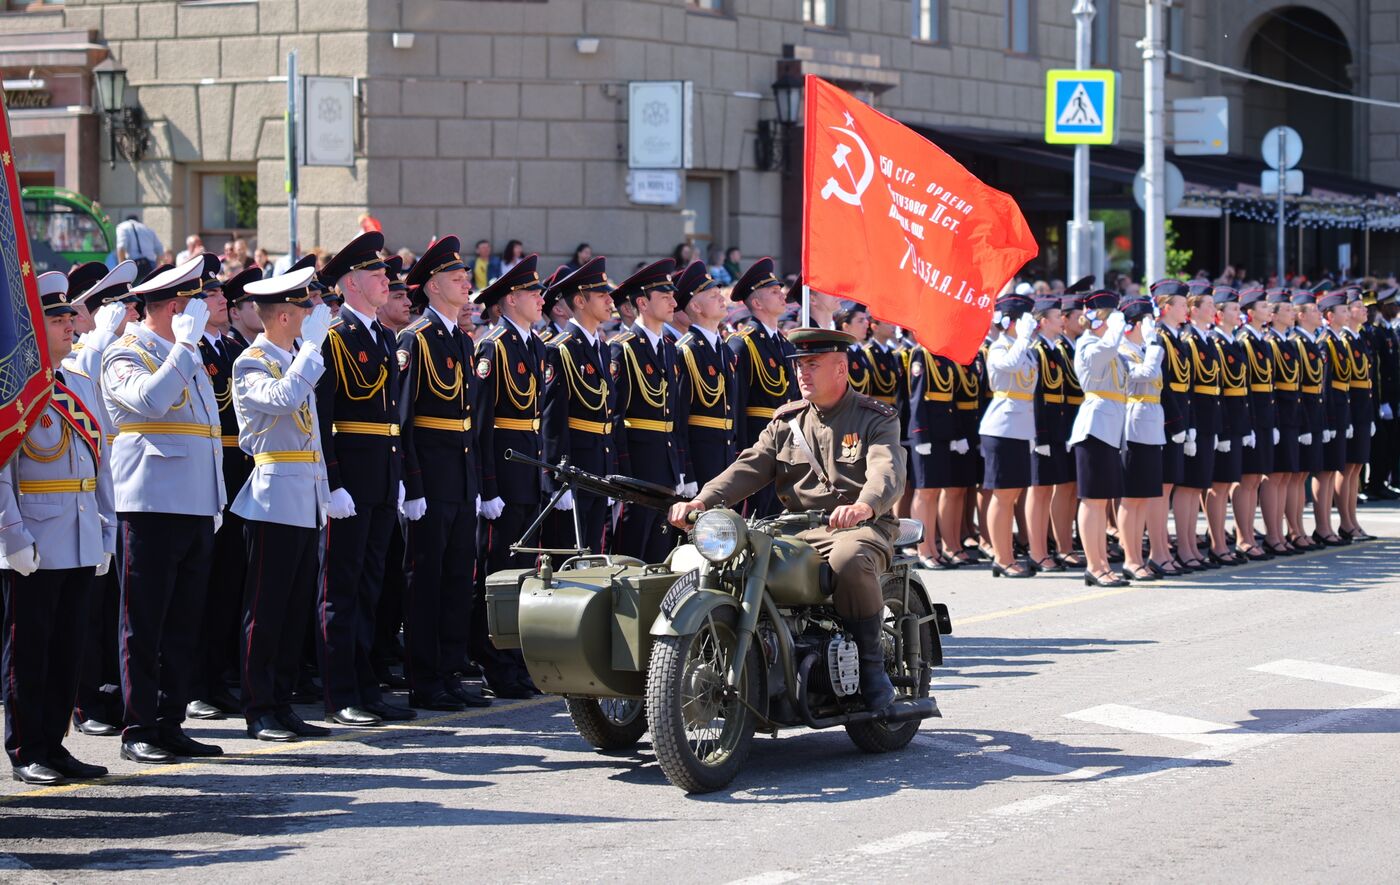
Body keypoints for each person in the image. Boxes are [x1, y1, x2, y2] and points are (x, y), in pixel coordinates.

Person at [667, 328, 904, 713]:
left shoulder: (874, 418)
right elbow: (749, 466)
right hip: (793, 527)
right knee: (727, 560)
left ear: (841, 369)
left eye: (813, 365)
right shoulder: (788, 421)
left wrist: (864, 505)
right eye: (799, 366)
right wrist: (701, 501)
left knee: (850, 559)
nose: (802, 373)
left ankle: (872, 668)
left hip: (857, 527)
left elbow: (886, 470)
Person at [101, 255, 226, 764]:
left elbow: (208, 434)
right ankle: (138, 728)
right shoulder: (124, 353)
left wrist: (215, 498)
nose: (202, 311)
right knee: (143, 624)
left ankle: (171, 722)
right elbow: (150, 403)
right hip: (149, 505)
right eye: (193, 302)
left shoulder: (183, 353)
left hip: (194, 503)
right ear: (174, 308)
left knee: (183, 623)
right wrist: (186, 347)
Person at [1, 272, 116, 784]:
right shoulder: (16, 388)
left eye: (71, 316)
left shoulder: (79, 385)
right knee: (29, 652)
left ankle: (55, 744)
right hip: (36, 539)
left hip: (79, 534)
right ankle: (27, 749)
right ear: (33, 325)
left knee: (69, 649)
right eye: (58, 318)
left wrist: (107, 531)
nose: (71, 324)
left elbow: (102, 468)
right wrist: (12, 537)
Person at [229, 269, 335, 742]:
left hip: (304, 495)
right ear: (286, 315)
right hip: (272, 498)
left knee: (294, 612)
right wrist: (311, 351)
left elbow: (312, 436)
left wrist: (326, 491)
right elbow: (283, 399)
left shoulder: (294, 358)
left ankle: (283, 702)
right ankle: (259, 707)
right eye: (305, 309)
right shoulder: (251, 362)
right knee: (265, 610)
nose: (312, 317)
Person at [314, 231, 413, 727]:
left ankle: (366, 684)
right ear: (352, 283)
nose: (386, 281)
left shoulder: (384, 336)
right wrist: (331, 482)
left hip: (379, 477)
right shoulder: (335, 338)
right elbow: (323, 415)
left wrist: (398, 476)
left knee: (371, 585)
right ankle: (340, 691)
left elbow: (391, 416)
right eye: (377, 275)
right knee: (341, 588)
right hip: (349, 481)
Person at [396, 236, 491, 712]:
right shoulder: (415, 340)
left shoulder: (458, 338)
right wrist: (412, 484)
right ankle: (424, 675)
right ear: (433, 287)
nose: (466, 284)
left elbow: (469, 421)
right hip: (430, 481)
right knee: (426, 579)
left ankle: (451, 671)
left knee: (458, 577)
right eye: (456, 279)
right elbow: (406, 420)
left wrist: (475, 483)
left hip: (460, 478)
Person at [64, 261, 140, 737]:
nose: (129, 315)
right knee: (86, 608)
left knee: (115, 601)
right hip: (82, 495)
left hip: (117, 490)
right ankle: (84, 701)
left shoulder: (115, 354)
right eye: (118, 308)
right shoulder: (77, 359)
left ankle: (110, 695)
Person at [472, 255, 548, 699]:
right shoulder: (493, 347)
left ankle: (517, 659)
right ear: (512, 299)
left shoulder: (533, 345)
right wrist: (488, 487)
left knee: (525, 573)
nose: (541, 299)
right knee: (497, 572)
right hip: (502, 473)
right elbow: (482, 424)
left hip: (528, 473)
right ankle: (494, 661)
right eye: (533, 293)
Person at [186, 263, 259, 722]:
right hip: (208, 467)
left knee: (231, 581)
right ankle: (196, 684)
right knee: (203, 585)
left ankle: (218, 677)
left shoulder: (234, 347)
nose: (218, 301)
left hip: (238, 468)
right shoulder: (191, 348)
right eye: (209, 295)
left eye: (217, 294)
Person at [609, 259, 690, 562]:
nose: (674, 302)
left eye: (673, 296)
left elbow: (675, 414)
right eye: (665, 297)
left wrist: (679, 465)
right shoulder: (624, 347)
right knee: (631, 549)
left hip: (665, 462)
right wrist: (622, 472)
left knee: (659, 547)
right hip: (639, 463)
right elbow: (615, 416)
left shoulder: (669, 348)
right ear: (642, 303)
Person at [542, 256, 619, 554]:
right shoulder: (561, 350)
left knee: (593, 553)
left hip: (598, 467)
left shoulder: (601, 348)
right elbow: (552, 420)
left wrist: (609, 471)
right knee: (570, 554)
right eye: (601, 296)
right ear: (580, 301)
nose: (609, 300)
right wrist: (555, 480)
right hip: (574, 468)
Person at [1069, 290, 1128, 587]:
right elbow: (1104, 353)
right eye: (1112, 315)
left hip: (1110, 429)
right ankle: (1094, 564)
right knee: (1092, 501)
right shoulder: (1088, 344)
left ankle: (1102, 561)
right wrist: (1116, 327)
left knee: (1102, 501)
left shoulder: (1108, 346)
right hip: (1094, 428)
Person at [728, 258, 796, 517]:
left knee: (778, 514)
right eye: (774, 292)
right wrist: (740, 452)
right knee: (753, 515)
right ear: (756, 303)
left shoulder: (785, 344)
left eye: (781, 291)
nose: (782, 296)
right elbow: (737, 403)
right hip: (756, 440)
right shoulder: (742, 343)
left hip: (786, 441)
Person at [978, 291, 1038, 578]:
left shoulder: (1022, 347)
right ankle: (1001, 558)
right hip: (1001, 428)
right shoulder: (1000, 347)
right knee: (1001, 496)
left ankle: (1007, 555)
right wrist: (1023, 338)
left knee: (1012, 495)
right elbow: (1009, 367)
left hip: (1021, 428)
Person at [907, 335, 980, 568]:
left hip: (943, 434)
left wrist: (957, 434)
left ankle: (936, 548)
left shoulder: (945, 358)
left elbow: (951, 401)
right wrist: (919, 433)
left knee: (936, 492)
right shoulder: (921, 355)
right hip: (926, 434)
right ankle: (924, 549)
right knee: (925, 493)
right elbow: (916, 399)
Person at [674, 260, 738, 492]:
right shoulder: (686, 351)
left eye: (720, 293)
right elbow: (679, 420)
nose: (722, 299)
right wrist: (687, 470)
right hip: (701, 458)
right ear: (697, 308)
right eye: (713, 295)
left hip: (726, 455)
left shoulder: (725, 350)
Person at [1116, 298, 1166, 582]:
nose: (1152, 327)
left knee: (1143, 498)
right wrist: (1154, 346)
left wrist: (1151, 346)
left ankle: (1139, 555)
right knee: (1131, 498)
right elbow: (1143, 375)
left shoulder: (1145, 349)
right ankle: (1130, 558)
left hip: (1150, 426)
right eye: (1148, 321)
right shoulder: (1123, 351)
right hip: (1132, 427)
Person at [1147, 279, 1194, 576]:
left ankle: (1165, 549)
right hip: (1165, 422)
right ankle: (1158, 551)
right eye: (1180, 304)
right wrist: (1175, 423)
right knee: (1160, 490)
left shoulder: (1176, 337)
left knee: (1168, 488)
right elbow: (1162, 385)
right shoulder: (1159, 337)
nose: (1185, 309)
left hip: (1179, 419)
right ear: (1165, 307)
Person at [1175, 284, 1221, 571]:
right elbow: (1187, 388)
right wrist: (1188, 425)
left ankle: (1191, 545)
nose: (1214, 309)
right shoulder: (1190, 340)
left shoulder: (1205, 339)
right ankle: (1184, 546)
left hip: (1207, 420)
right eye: (1209, 305)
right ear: (1193, 310)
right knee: (1188, 486)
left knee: (1197, 486)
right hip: (1195, 420)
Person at [1026, 296, 1073, 573]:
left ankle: (1049, 548)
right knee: (1040, 490)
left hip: (1058, 427)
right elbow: (1036, 395)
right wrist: (1040, 435)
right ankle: (1036, 550)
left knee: (1050, 489)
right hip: (1043, 429)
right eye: (1057, 316)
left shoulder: (1055, 349)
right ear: (1043, 321)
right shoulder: (1038, 350)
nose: (1062, 320)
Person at [1204, 287, 1248, 567]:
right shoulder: (1216, 343)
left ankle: (1223, 541)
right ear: (1219, 315)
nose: (1238, 313)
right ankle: (1216, 543)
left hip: (1233, 420)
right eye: (1233, 309)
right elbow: (1216, 391)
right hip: (1220, 421)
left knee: (1227, 483)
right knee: (1217, 487)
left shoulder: (1232, 342)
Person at [1233, 289, 1276, 561]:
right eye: (1263, 305)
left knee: (1256, 478)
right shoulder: (1246, 340)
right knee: (1247, 479)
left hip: (1264, 415)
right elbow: (1244, 384)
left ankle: (1250, 534)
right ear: (1250, 312)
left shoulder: (1261, 338)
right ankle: (1243, 537)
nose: (1268, 308)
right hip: (1251, 416)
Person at [1290, 291, 1330, 548]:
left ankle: (1300, 529)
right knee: (1291, 477)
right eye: (1314, 311)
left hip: (1313, 413)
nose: (1319, 315)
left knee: (1301, 473)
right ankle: (1293, 530)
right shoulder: (1296, 342)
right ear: (1301, 315)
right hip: (1300, 414)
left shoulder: (1310, 341)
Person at [1314, 290, 1352, 546]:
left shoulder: (1339, 340)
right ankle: (1322, 526)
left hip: (1341, 410)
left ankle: (1328, 525)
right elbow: (1324, 386)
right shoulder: (1326, 341)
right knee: (1325, 471)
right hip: (1329, 412)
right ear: (1330, 315)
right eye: (1344, 310)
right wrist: (1327, 420)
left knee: (1332, 470)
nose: (1348, 314)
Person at [1365, 288, 1400, 499]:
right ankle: (1374, 484)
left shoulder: (1386, 332)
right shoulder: (1376, 333)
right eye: (1392, 305)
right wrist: (1382, 401)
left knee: (1390, 443)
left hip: (1391, 396)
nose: (1395, 308)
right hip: (1380, 397)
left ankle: (1380, 482)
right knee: (1379, 445)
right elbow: (1378, 371)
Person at [115, 214, 164, 279]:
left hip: (134, 266)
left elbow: (121, 247)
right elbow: (160, 250)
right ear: (138, 221)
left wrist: (122, 270)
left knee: (134, 289)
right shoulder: (148, 228)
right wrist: (156, 268)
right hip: (151, 265)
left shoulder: (123, 227)